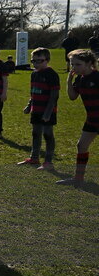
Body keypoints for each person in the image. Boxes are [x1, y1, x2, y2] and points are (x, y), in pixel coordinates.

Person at [57, 49, 99, 187]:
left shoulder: (97, 77)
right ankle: (78, 178)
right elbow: (72, 97)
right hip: (92, 120)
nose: (74, 67)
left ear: (89, 63)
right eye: (72, 64)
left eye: (78, 64)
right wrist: (69, 81)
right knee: (81, 146)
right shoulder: (80, 79)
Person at [17, 47, 60, 170]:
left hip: (48, 111)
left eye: (39, 61)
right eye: (33, 61)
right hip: (36, 110)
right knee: (36, 133)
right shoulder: (34, 74)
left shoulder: (52, 74)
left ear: (47, 60)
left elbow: (54, 96)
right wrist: (29, 105)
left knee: (47, 134)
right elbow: (33, 93)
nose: (35, 63)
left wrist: (47, 113)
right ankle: (34, 158)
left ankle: (48, 162)